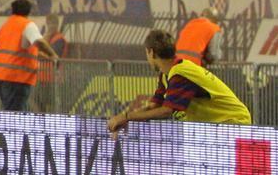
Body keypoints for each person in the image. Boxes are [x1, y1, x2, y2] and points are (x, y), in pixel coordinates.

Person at [107, 29, 251, 134]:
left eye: (146, 53)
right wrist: (125, 119)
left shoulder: (180, 73)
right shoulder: (166, 75)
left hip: (234, 122)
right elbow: (153, 107)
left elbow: (166, 111)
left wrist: (126, 117)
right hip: (218, 125)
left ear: (151, 52)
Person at [0, 0, 61, 111]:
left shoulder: (6, 26)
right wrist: (53, 55)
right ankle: (12, 129)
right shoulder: (26, 25)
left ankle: (10, 128)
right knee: (15, 114)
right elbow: (39, 41)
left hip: (0, 76)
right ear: (28, 11)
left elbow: (21, 49)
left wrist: (46, 57)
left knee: (11, 111)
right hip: (16, 78)